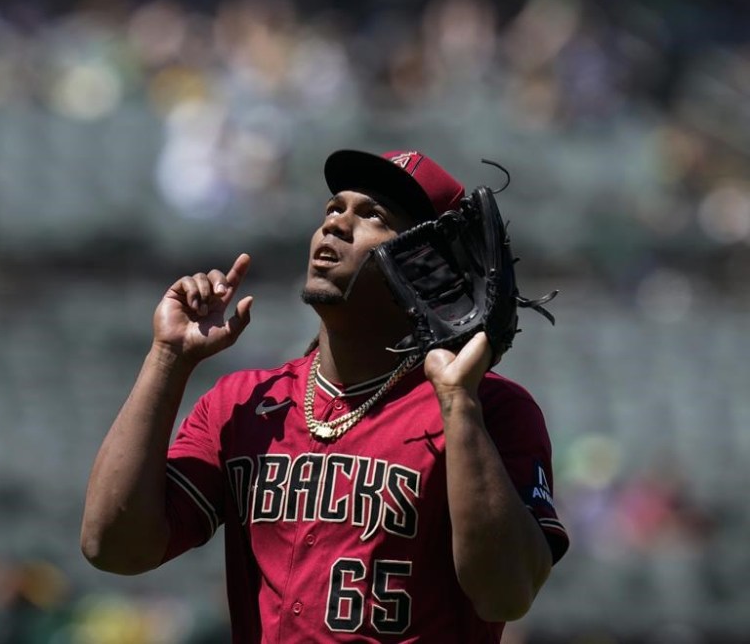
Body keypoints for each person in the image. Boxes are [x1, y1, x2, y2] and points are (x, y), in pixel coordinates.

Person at [80, 148, 569, 642]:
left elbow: (507, 594)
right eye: (333, 209)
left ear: (430, 264)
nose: (335, 225)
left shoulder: (492, 409)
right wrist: (168, 358)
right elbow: (113, 547)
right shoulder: (244, 402)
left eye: (372, 215)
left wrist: (460, 406)